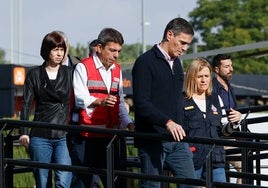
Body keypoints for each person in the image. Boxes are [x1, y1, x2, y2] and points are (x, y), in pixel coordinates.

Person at [132, 17, 196, 188]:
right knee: (152, 186)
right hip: (152, 139)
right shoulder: (145, 62)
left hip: (177, 140)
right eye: (182, 42)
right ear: (169, 35)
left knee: (191, 183)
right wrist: (167, 122)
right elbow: (141, 103)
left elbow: (177, 100)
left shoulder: (177, 64)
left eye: (187, 44)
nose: (185, 48)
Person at [71, 27, 135, 188]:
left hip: (111, 136)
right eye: (112, 50)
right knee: (84, 183)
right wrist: (101, 101)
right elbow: (80, 98)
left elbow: (120, 101)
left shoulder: (117, 70)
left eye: (119, 51)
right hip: (88, 136)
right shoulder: (83, 67)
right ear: (99, 48)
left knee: (116, 181)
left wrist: (128, 123)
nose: (116, 55)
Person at [19, 31, 73, 188]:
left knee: (63, 180)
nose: (59, 53)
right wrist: (23, 131)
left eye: (62, 49)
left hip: (64, 135)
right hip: (40, 135)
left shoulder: (70, 73)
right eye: (55, 49)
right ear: (46, 50)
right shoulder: (34, 74)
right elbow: (26, 104)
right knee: (43, 182)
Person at [183, 58, 241, 183]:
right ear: (191, 77)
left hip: (216, 158)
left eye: (207, 76)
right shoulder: (181, 101)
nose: (204, 80)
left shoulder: (216, 99)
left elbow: (223, 131)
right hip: (192, 159)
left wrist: (235, 123)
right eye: (199, 76)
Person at [211, 53, 242, 184]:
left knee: (246, 165)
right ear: (217, 69)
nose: (231, 69)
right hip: (219, 136)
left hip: (231, 133)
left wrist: (238, 116)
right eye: (227, 66)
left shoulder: (229, 87)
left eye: (231, 65)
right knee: (244, 166)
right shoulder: (211, 88)